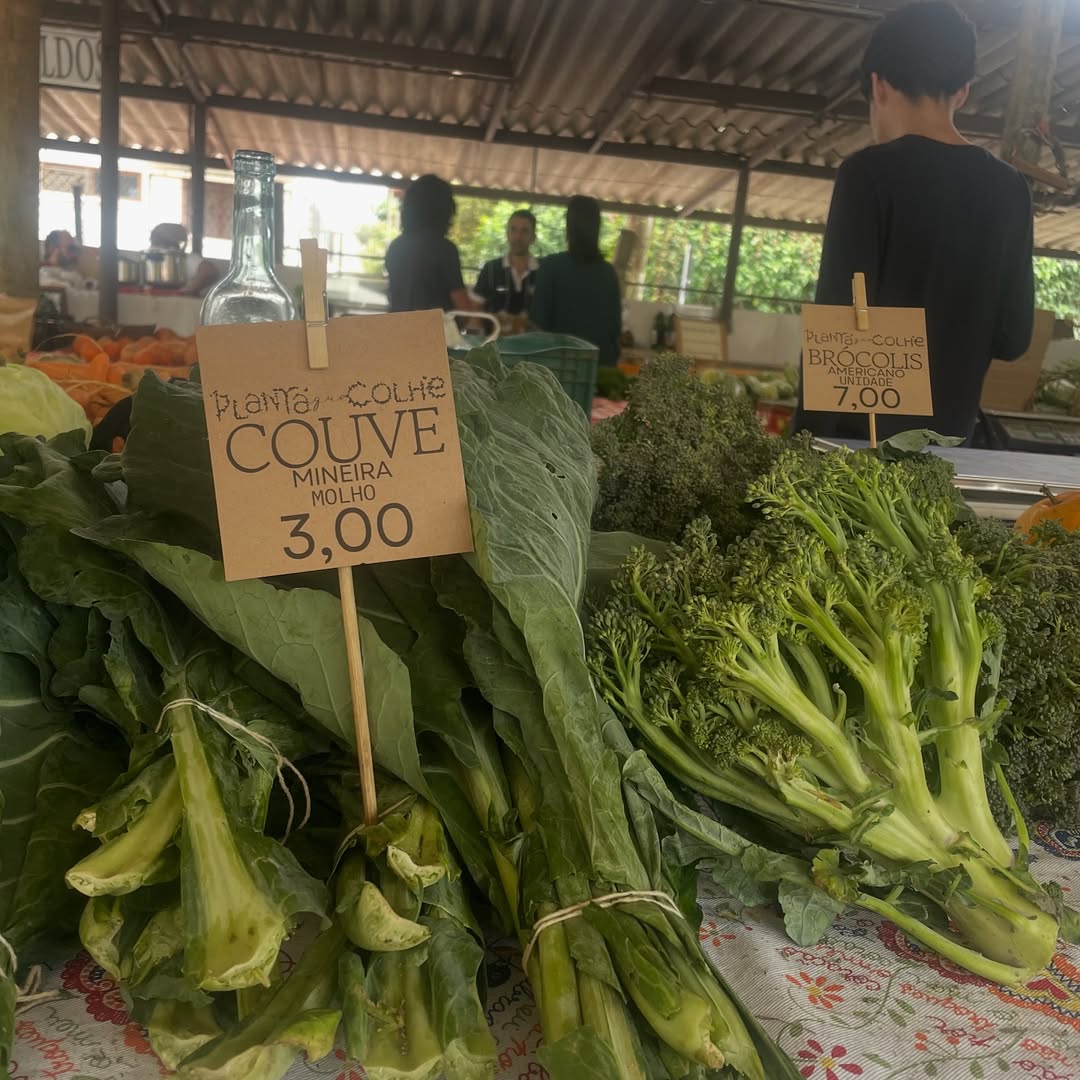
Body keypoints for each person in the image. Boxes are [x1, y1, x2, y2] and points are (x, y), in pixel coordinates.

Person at [797, 0, 1034, 442]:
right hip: (953, 453)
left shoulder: (867, 175)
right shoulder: (1010, 189)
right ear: (963, 90)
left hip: (860, 457)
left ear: (879, 85)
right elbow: (1013, 337)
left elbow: (839, 330)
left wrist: (800, 454)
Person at [531, 196, 621, 365]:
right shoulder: (608, 273)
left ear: (568, 229)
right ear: (597, 230)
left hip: (560, 370)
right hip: (601, 368)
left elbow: (538, 323)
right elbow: (615, 329)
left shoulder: (551, 267)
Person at [385, 175, 481, 313]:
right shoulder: (444, 249)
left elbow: (393, 295)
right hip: (434, 330)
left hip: (398, 327)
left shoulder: (396, 246)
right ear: (445, 209)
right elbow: (462, 306)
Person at [473, 209, 539, 315]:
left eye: (525, 231)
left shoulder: (544, 271)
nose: (518, 237)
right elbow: (476, 310)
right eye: (513, 230)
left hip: (533, 332)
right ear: (507, 234)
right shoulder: (490, 269)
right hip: (496, 331)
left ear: (533, 238)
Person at [149, 222, 221, 297]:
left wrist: (190, 288)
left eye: (156, 240)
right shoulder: (152, 258)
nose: (152, 245)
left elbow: (209, 270)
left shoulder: (184, 259)